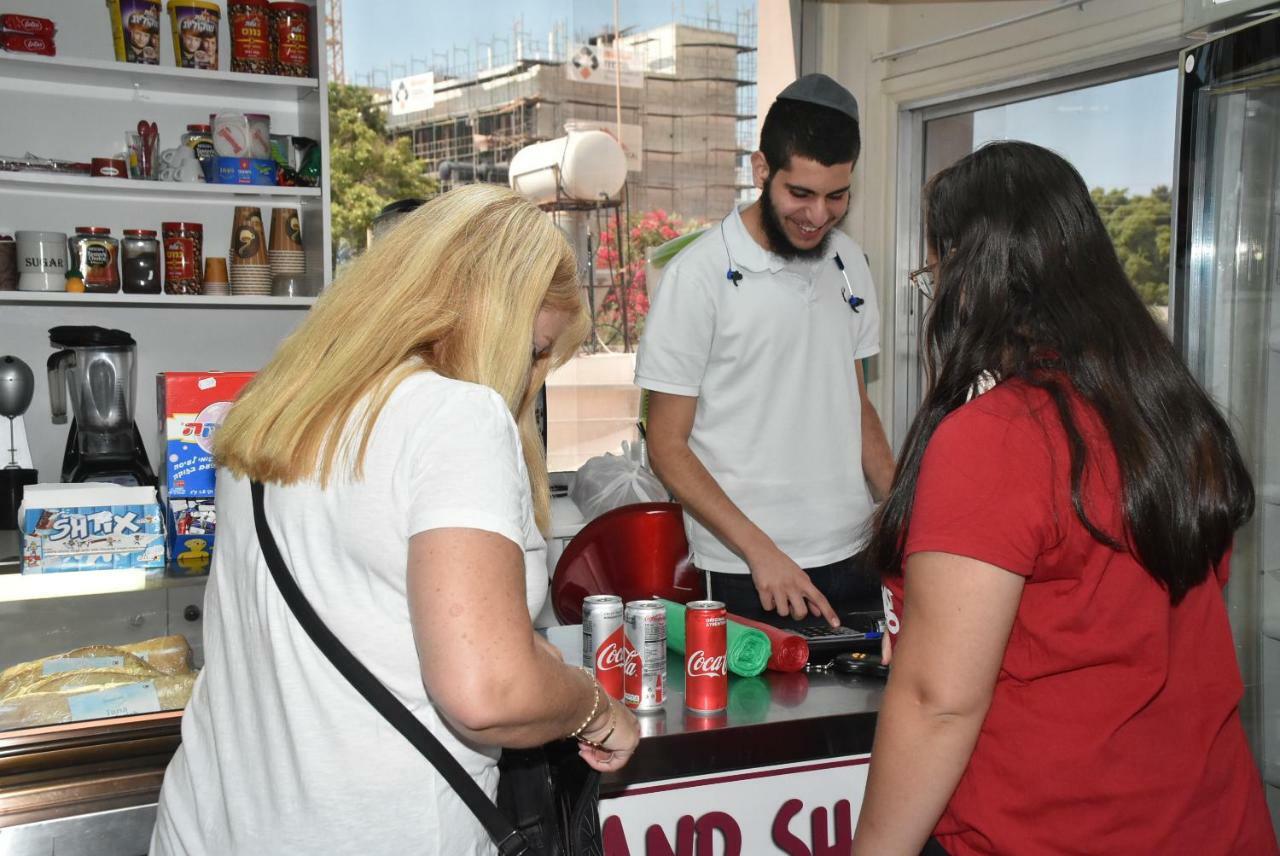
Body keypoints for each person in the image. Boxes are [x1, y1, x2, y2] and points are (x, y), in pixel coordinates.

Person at [151, 185, 639, 855]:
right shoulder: (453, 417)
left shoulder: (276, 408)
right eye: (531, 351)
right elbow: (488, 690)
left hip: (214, 825)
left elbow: (367, 615)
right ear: (492, 322)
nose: (528, 381)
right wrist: (595, 709)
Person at [851, 141, 1276, 855]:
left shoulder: (998, 438)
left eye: (935, 271)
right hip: (1213, 824)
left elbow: (937, 703)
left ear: (970, 273)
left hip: (1058, 830)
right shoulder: (1171, 416)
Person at [636, 73, 894, 626]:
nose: (818, 215)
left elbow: (855, 405)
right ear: (761, 171)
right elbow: (666, 445)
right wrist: (760, 551)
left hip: (855, 553)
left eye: (836, 196)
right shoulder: (697, 277)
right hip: (747, 569)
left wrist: (902, 516)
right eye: (799, 193)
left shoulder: (849, 262)